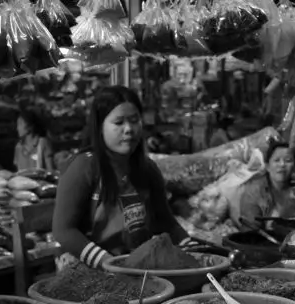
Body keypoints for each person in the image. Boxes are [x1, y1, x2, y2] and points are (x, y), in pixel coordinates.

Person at [52, 86, 196, 269]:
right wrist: (110, 264)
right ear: (100, 127)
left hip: (134, 266)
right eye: (119, 122)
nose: (129, 129)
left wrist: (194, 251)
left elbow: (166, 222)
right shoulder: (84, 167)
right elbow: (63, 231)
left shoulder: (147, 169)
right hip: (88, 269)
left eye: (135, 120)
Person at [236, 141, 295, 232]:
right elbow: (249, 230)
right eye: (276, 160)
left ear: (294, 166)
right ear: (267, 166)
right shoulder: (254, 192)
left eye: (288, 160)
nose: (282, 165)